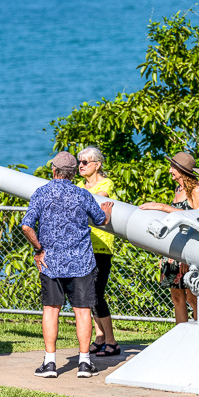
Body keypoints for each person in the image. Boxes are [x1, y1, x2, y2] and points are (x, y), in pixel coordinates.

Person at [21, 151, 113, 379]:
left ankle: (50, 362)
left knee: (51, 310)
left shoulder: (41, 193)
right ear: (73, 173)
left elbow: (26, 226)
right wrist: (107, 212)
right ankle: (84, 363)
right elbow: (101, 220)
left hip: (50, 262)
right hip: (81, 261)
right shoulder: (82, 194)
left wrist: (38, 249)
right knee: (82, 312)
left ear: (54, 170)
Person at [139, 152, 199, 324]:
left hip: (189, 251)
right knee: (177, 298)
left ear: (183, 171)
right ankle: (181, 336)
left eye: (173, 168)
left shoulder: (196, 190)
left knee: (193, 297)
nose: (170, 171)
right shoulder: (178, 189)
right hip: (172, 249)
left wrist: (162, 207)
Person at [76, 146, 119, 357]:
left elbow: (95, 200)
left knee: (97, 294)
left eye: (85, 162)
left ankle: (111, 340)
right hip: (84, 246)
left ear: (97, 165)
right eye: (79, 162)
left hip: (101, 246)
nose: (80, 166)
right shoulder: (79, 185)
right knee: (88, 294)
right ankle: (100, 336)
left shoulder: (106, 184)